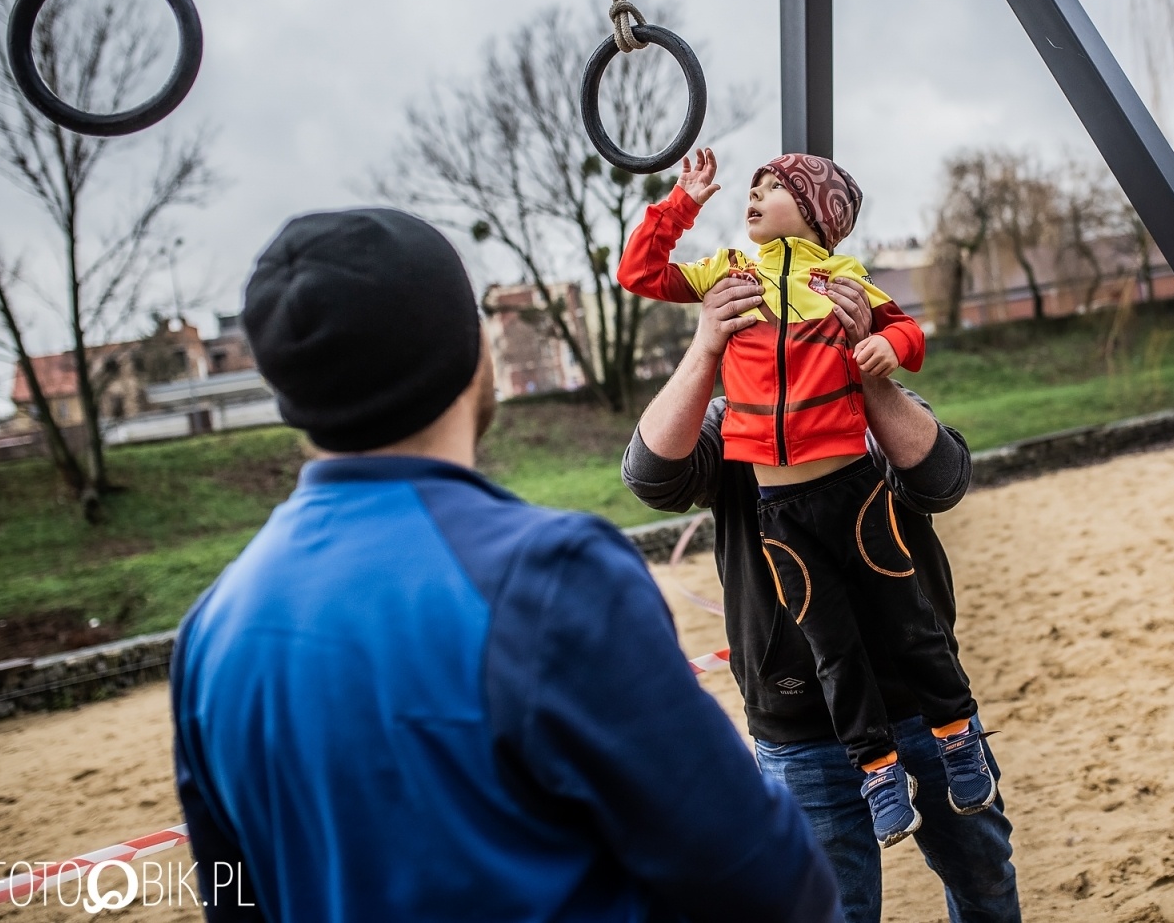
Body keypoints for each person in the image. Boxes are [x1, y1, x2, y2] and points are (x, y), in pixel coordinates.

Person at [169, 207, 843, 923]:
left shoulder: (209, 633)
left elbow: (234, 900)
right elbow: (766, 883)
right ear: (471, 351)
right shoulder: (552, 577)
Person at [620, 256, 1022, 920]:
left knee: (985, 885)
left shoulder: (867, 393)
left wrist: (864, 378)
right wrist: (705, 344)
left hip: (926, 705)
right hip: (800, 725)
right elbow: (650, 477)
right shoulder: (732, 422)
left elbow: (943, 480)